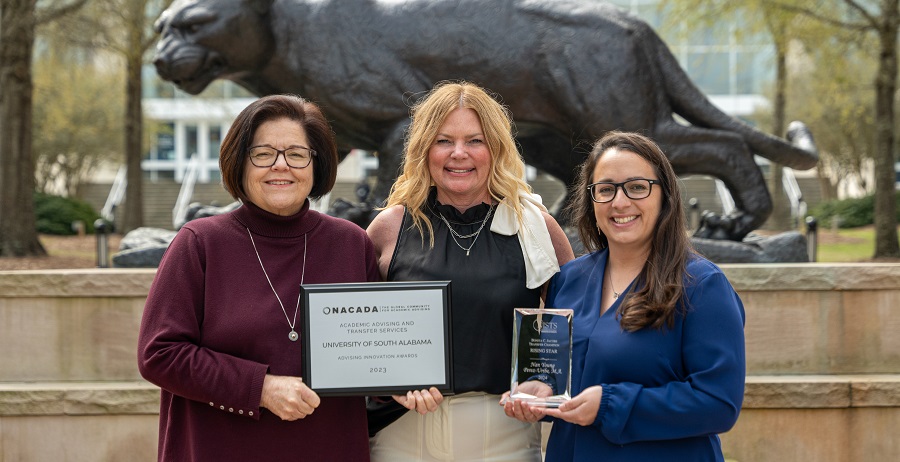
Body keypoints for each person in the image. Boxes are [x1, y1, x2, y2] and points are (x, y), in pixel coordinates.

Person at [137, 94, 380, 461]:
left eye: (297, 154)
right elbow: (159, 353)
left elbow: (377, 354)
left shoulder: (350, 244)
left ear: (317, 164)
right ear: (241, 163)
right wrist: (260, 388)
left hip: (327, 446)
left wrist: (405, 383)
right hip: (221, 448)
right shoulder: (200, 243)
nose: (280, 166)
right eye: (263, 154)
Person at [503, 131, 746, 461]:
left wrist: (610, 404)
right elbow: (563, 379)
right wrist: (542, 395)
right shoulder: (569, 280)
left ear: (665, 197)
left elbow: (719, 404)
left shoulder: (702, 285)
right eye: (605, 189)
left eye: (636, 187)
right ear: (592, 201)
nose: (619, 202)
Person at [365, 81, 575, 461]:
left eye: (474, 141)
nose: (459, 153)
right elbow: (357, 337)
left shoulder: (535, 226)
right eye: (444, 140)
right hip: (403, 431)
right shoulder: (388, 227)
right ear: (424, 149)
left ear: (495, 149)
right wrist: (388, 381)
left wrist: (545, 382)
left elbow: (576, 325)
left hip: (504, 432)